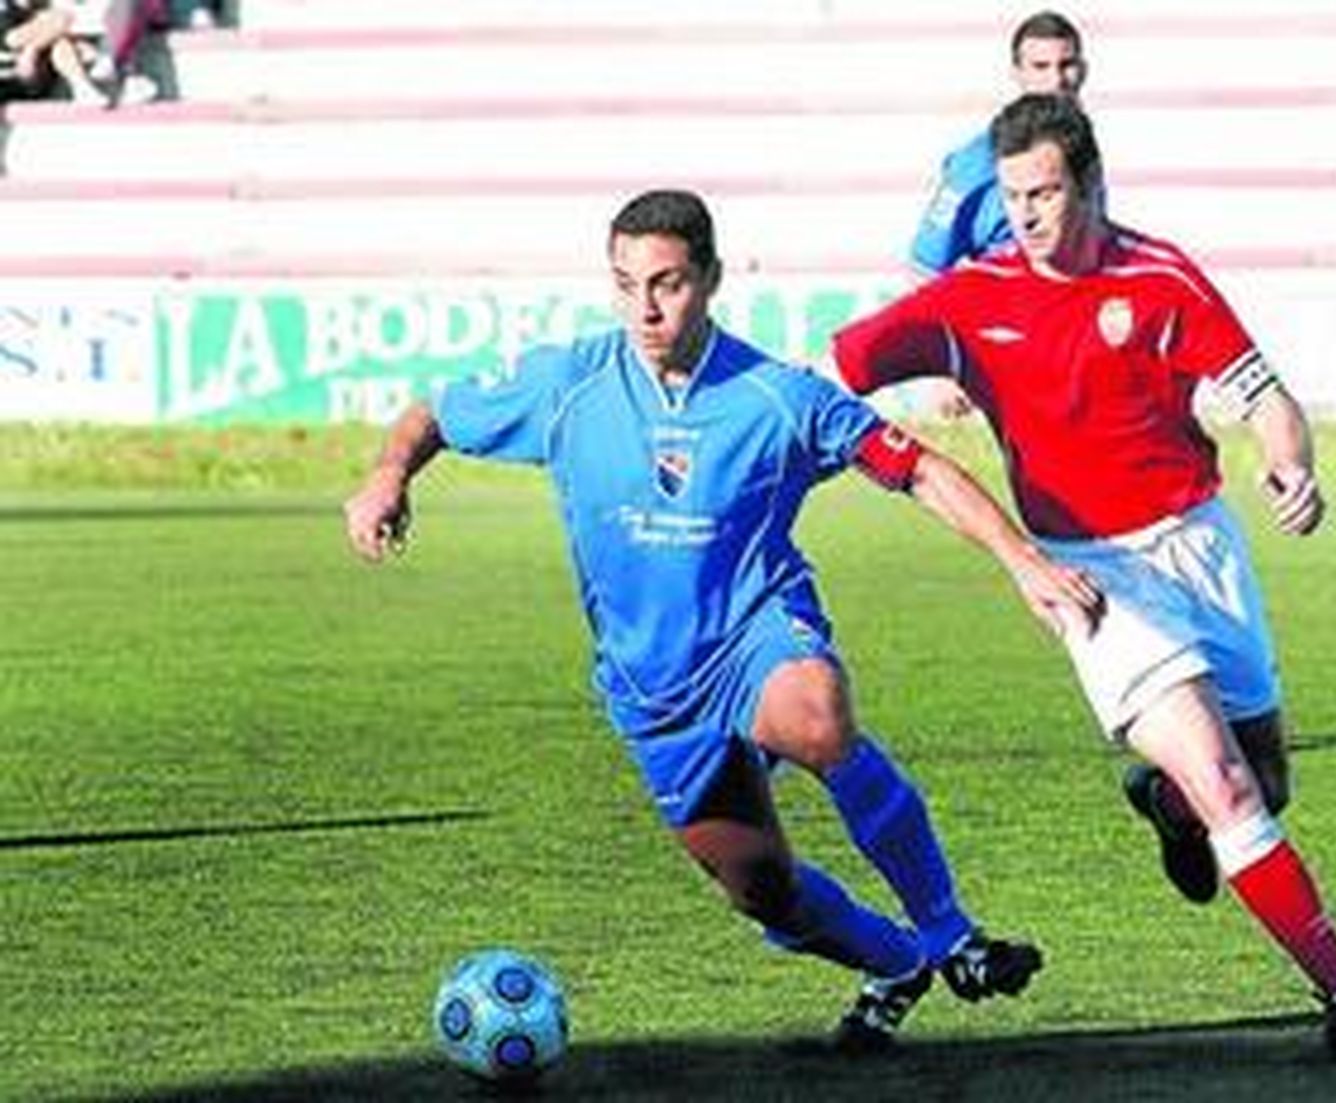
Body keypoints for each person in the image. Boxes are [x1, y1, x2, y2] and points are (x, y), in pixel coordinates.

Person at [344, 189, 1106, 1052]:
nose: (646, 307)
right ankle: (899, 961)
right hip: (651, 689)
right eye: (627, 284)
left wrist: (1025, 561)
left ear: (709, 278)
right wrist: (387, 476)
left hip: (755, 634)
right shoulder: (570, 384)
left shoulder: (776, 397)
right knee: (761, 887)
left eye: (667, 283)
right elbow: (435, 412)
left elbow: (919, 469)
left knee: (816, 719)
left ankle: (948, 931)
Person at [832, 94, 1336, 1061]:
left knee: (1263, 781)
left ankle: (1166, 800)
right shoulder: (971, 297)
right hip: (1091, 575)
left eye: (1046, 192)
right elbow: (838, 371)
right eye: (1013, 194)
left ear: (1092, 184)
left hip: (1201, 543)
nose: (1025, 214)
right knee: (1231, 784)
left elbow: (1268, 399)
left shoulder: (1160, 274)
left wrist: (1292, 463)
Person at [909, 9, 1087, 419]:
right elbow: (925, 265)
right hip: (1012, 359)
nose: (1056, 80)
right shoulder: (979, 161)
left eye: (1067, 65)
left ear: (1084, 69)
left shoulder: (1083, 151)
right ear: (1018, 73)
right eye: (1040, 66)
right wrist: (939, 372)